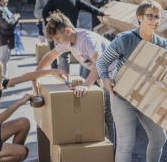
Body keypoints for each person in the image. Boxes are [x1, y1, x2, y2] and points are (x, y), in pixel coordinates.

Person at [97, 0, 167, 162]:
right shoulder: (125, 40)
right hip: (123, 97)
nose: (155, 20)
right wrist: (106, 78)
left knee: (159, 136)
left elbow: (166, 72)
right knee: (126, 143)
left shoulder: (162, 44)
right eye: (150, 15)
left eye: (158, 17)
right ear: (139, 17)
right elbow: (102, 62)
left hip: (147, 98)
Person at [37, 10, 115, 143]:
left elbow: (100, 62)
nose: (57, 42)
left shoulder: (87, 40)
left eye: (57, 38)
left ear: (67, 31)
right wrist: (37, 74)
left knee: (107, 115)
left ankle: (111, 151)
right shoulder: (66, 41)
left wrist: (86, 85)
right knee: (95, 110)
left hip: (112, 73)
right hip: (99, 72)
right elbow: (50, 56)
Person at [42, 0, 107, 74]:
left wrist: (49, 25)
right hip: (73, 32)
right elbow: (88, 7)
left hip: (60, 32)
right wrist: (102, 13)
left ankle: (64, 78)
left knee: (63, 57)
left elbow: (44, 12)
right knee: (82, 56)